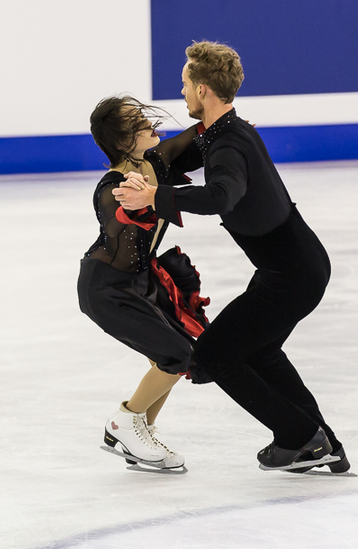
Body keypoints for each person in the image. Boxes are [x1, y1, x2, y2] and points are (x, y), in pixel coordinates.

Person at [113, 42, 350, 474]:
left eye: (185, 84)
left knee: (214, 356)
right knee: (258, 353)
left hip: (290, 273)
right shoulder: (224, 132)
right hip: (294, 266)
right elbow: (185, 153)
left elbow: (222, 195)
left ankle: (300, 439)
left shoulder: (226, 145)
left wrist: (153, 196)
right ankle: (321, 441)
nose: (181, 92)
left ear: (203, 90)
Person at [78, 95, 210, 472]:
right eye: (135, 121)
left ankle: (140, 433)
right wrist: (131, 207)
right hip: (106, 289)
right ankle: (125, 422)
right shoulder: (113, 186)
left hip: (139, 282)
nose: (147, 121)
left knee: (173, 355)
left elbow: (196, 138)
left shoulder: (156, 160)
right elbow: (114, 218)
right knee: (175, 356)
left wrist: (234, 133)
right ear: (121, 142)